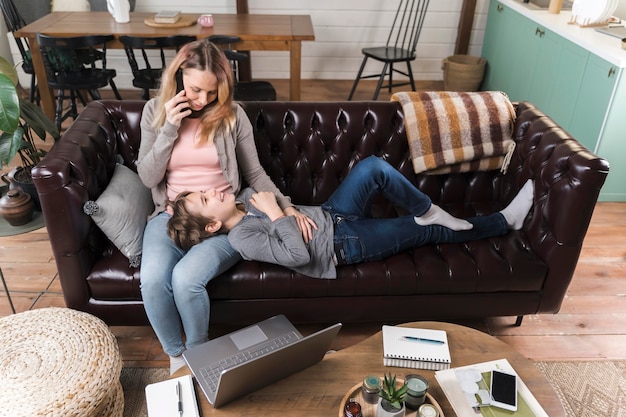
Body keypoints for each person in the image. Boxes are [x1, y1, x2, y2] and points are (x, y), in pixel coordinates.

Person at [136, 38, 315, 374]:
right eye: (194, 90)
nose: (203, 100)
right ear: (178, 78)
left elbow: (255, 174)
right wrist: (170, 129)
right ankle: (176, 357)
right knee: (153, 279)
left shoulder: (233, 115)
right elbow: (147, 177)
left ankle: (198, 355)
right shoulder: (154, 113)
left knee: (187, 278)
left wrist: (287, 208)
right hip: (172, 216)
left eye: (212, 91)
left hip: (225, 217)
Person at [167, 156, 534, 280]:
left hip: (333, 213)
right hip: (343, 246)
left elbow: (288, 211)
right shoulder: (240, 238)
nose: (213, 190)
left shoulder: (249, 198)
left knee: (372, 167)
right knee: (424, 232)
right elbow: (298, 256)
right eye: (205, 198)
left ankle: (426, 206)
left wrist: (289, 208)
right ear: (212, 225)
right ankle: (504, 221)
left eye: (206, 189)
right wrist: (278, 211)